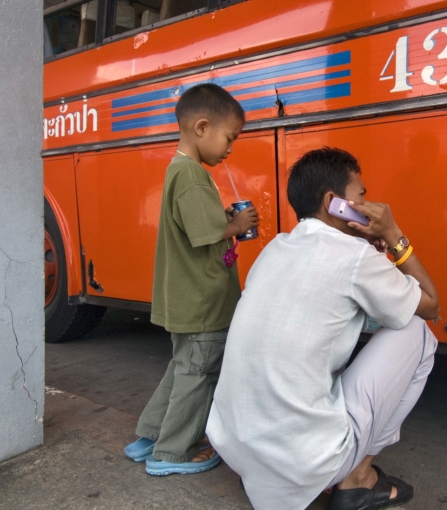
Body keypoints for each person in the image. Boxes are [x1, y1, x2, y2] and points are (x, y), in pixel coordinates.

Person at [207, 147, 441, 509]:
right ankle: (357, 479)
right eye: (361, 195)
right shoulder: (355, 257)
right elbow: (430, 304)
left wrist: (364, 245)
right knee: (418, 334)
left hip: (239, 450)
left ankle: (279, 471)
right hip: (300, 463)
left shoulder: (276, 248)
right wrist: (394, 235)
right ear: (334, 203)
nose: (368, 204)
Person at [123, 83, 259, 476]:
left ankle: (151, 435)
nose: (230, 150)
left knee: (183, 368)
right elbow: (207, 233)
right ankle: (173, 452)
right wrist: (238, 224)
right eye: (229, 138)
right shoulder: (193, 176)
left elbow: (198, 226)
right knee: (199, 374)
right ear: (201, 128)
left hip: (186, 300)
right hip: (203, 303)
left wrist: (225, 220)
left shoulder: (178, 170)